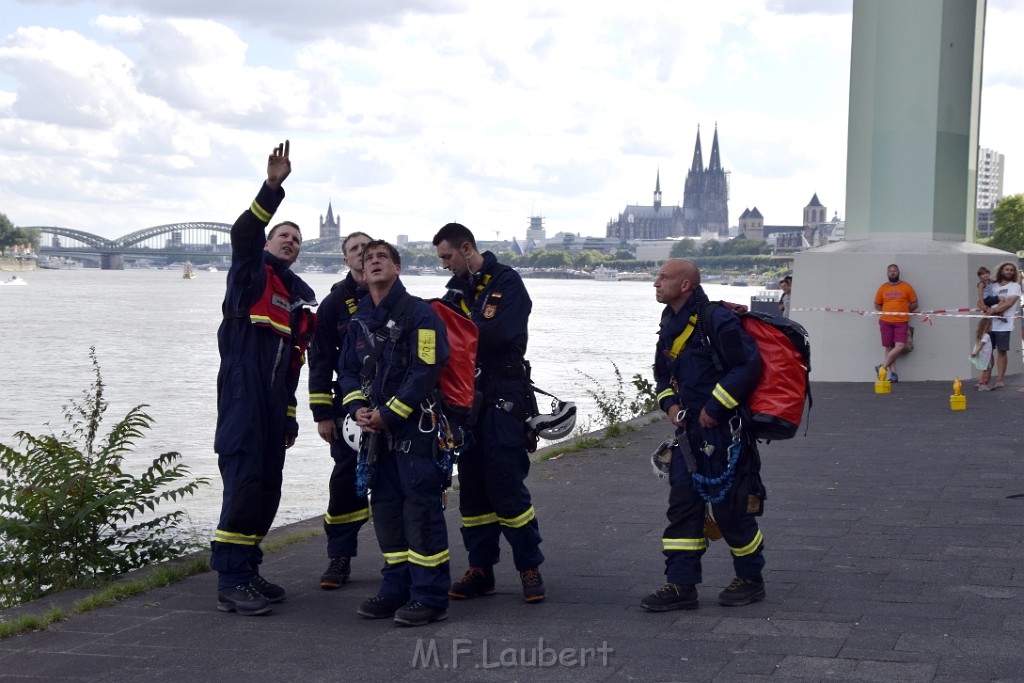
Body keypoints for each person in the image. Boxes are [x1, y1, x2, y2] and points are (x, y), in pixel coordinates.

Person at [211, 141, 317, 616]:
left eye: (297, 240)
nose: (290, 242)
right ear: (269, 243)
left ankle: (249, 568)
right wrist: (272, 188)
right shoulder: (250, 273)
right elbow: (244, 232)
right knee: (245, 482)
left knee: (268, 487)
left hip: (274, 406)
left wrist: (290, 417)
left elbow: (292, 368)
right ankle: (231, 578)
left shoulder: (295, 300)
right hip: (242, 397)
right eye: (283, 237)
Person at [642, 258, 766, 612]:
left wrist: (716, 407)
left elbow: (748, 366)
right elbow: (662, 375)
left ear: (685, 286)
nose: (656, 282)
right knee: (683, 507)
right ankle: (681, 586)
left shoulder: (718, 319)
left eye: (664, 278)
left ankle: (750, 578)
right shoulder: (669, 321)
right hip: (688, 434)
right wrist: (670, 408)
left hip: (724, 433)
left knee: (730, 510)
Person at [338, 240, 452, 627]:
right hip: (376, 435)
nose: (373, 262)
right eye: (368, 258)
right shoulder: (358, 320)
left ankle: (430, 596)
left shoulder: (420, 314)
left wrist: (389, 414)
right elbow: (348, 372)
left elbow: (426, 370)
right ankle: (396, 588)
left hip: (414, 433)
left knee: (420, 512)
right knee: (385, 513)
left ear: (398, 268)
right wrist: (358, 410)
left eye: (382, 257)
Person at [433, 222, 546, 604]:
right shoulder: (453, 292)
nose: (444, 265)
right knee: (473, 492)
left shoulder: (507, 282)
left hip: (503, 394)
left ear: (466, 249)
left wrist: (455, 333)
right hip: (466, 400)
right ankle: (481, 569)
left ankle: (529, 567)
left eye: (447, 256)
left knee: (506, 486)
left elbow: (496, 334)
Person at [308, 231, 373, 589]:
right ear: (345, 259)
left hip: (394, 407)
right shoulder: (334, 304)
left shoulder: (396, 297)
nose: (362, 254)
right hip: (347, 407)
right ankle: (340, 557)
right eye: (354, 250)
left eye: (367, 248)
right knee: (346, 483)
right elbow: (318, 360)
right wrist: (322, 414)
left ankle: (406, 562)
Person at [873, 264, 918, 382]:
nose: (892, 272)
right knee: (888, 347)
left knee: (900, 346)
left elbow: (914, 303)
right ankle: (893, 375)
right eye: (890, 271)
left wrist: (904, 312)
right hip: (885, 321)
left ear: (899, 272)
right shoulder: (883, 288)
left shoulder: (906, 287)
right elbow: (877, 304)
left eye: (894, 271)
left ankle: (882, 367)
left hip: (901, 321)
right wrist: (887, 313)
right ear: (887, 273)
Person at [983, 261, 1020, 389]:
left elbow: (1009, 303)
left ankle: (999, 380)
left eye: (1011, 270)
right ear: (1001, 271)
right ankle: (986, 379)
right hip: (989, 324)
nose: (1009, 272)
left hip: (1004, 325)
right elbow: (984, 300)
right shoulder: (992, 286)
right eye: (1006, 269)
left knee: (1001, 351)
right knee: (987, 351)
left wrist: (994, 310)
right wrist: (986, 308)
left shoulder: (1015, 286)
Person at [970, 317, 995, 390]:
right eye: (991, 325)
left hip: (986, 356)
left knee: (986, 369)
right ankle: (981, 384)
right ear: (987, 326)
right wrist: (976, 352)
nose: (992, 327)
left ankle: (985, 383)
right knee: (983, 369)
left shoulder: (982, 335)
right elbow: (980, 345)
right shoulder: (986, 336)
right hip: (984, 356)